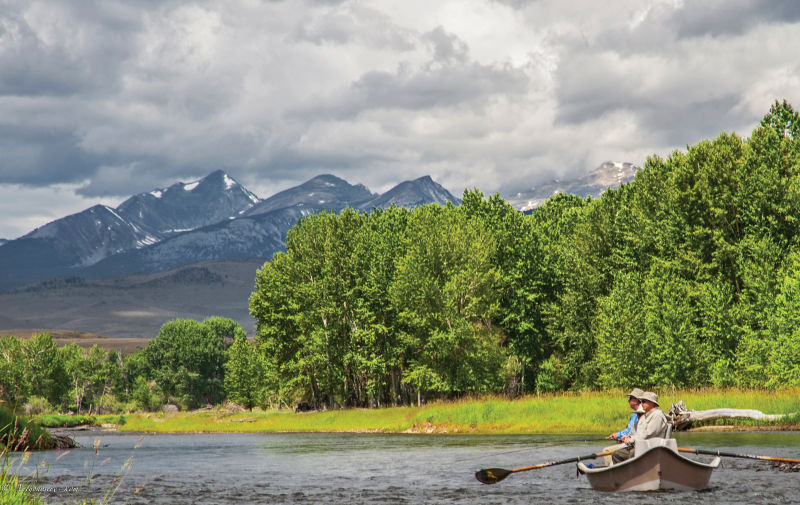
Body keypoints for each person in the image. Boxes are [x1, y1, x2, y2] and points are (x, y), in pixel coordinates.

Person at [612, 391, 669, 464]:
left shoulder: (657, 415)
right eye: (641, 401)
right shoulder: (644, 417)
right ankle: (622, 474)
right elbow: (639, 434)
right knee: (617, 454)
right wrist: (628, 438)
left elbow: (648, 434)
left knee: (632, 455)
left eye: (644, 401)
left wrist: (631, 439)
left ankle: (633, 472)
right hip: (641, 446)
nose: (641, 404)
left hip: (652, 448)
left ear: (652, 403)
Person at [600, 388, 644, 465]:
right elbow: (630, 431)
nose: (628, 401)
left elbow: (628, 432)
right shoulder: (634, 415)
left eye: (630, 399)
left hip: (634, 445)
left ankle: (611, 470)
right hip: (630, 443)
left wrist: (617, 435)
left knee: (607, 451)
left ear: (637, 400)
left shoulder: (641, 416)